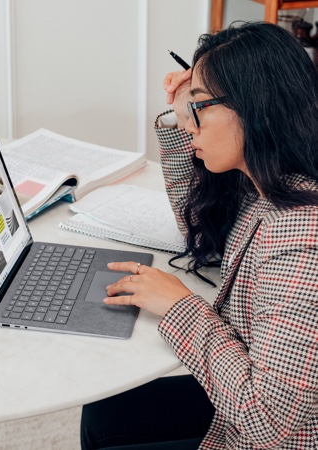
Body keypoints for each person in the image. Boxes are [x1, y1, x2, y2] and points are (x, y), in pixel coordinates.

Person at [80, 21, 318, 449]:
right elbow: (198, 224)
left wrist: (179, 306)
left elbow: (266, 420)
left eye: (200, 107)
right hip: (249, 390)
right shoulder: (268, 181)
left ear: (257, 106)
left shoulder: (302, 236)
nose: (188, 123)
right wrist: (181, 110)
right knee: (102, 414)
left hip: (272, 435)